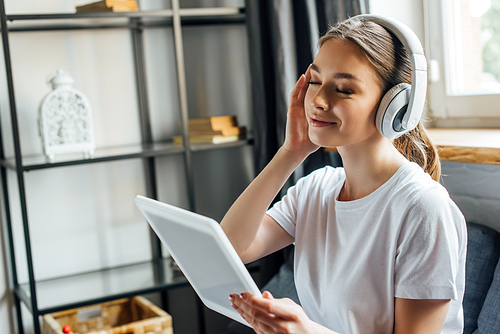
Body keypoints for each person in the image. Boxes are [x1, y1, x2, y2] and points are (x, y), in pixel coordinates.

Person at [220, 15, 467, 334]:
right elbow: (231, 249)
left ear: (395, 106)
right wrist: (290, 153)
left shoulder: (424, 209)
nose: (319, 100)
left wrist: (306, 331)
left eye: (344, 89)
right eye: (315, 81)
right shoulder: (315, 189)